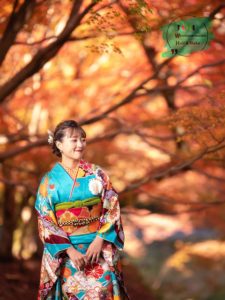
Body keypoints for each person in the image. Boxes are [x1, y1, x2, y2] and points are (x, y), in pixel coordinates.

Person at [35, 120, 130, 300]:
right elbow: (45, 220)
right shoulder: (49, 181)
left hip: (98, 250)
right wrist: (69, 250)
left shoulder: (97, 173)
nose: (80, 144)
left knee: (102, 293)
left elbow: (112, 206)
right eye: (74, 140)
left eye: (83, 139)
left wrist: (100, 239)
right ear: (59, 144)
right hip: (66, 255)